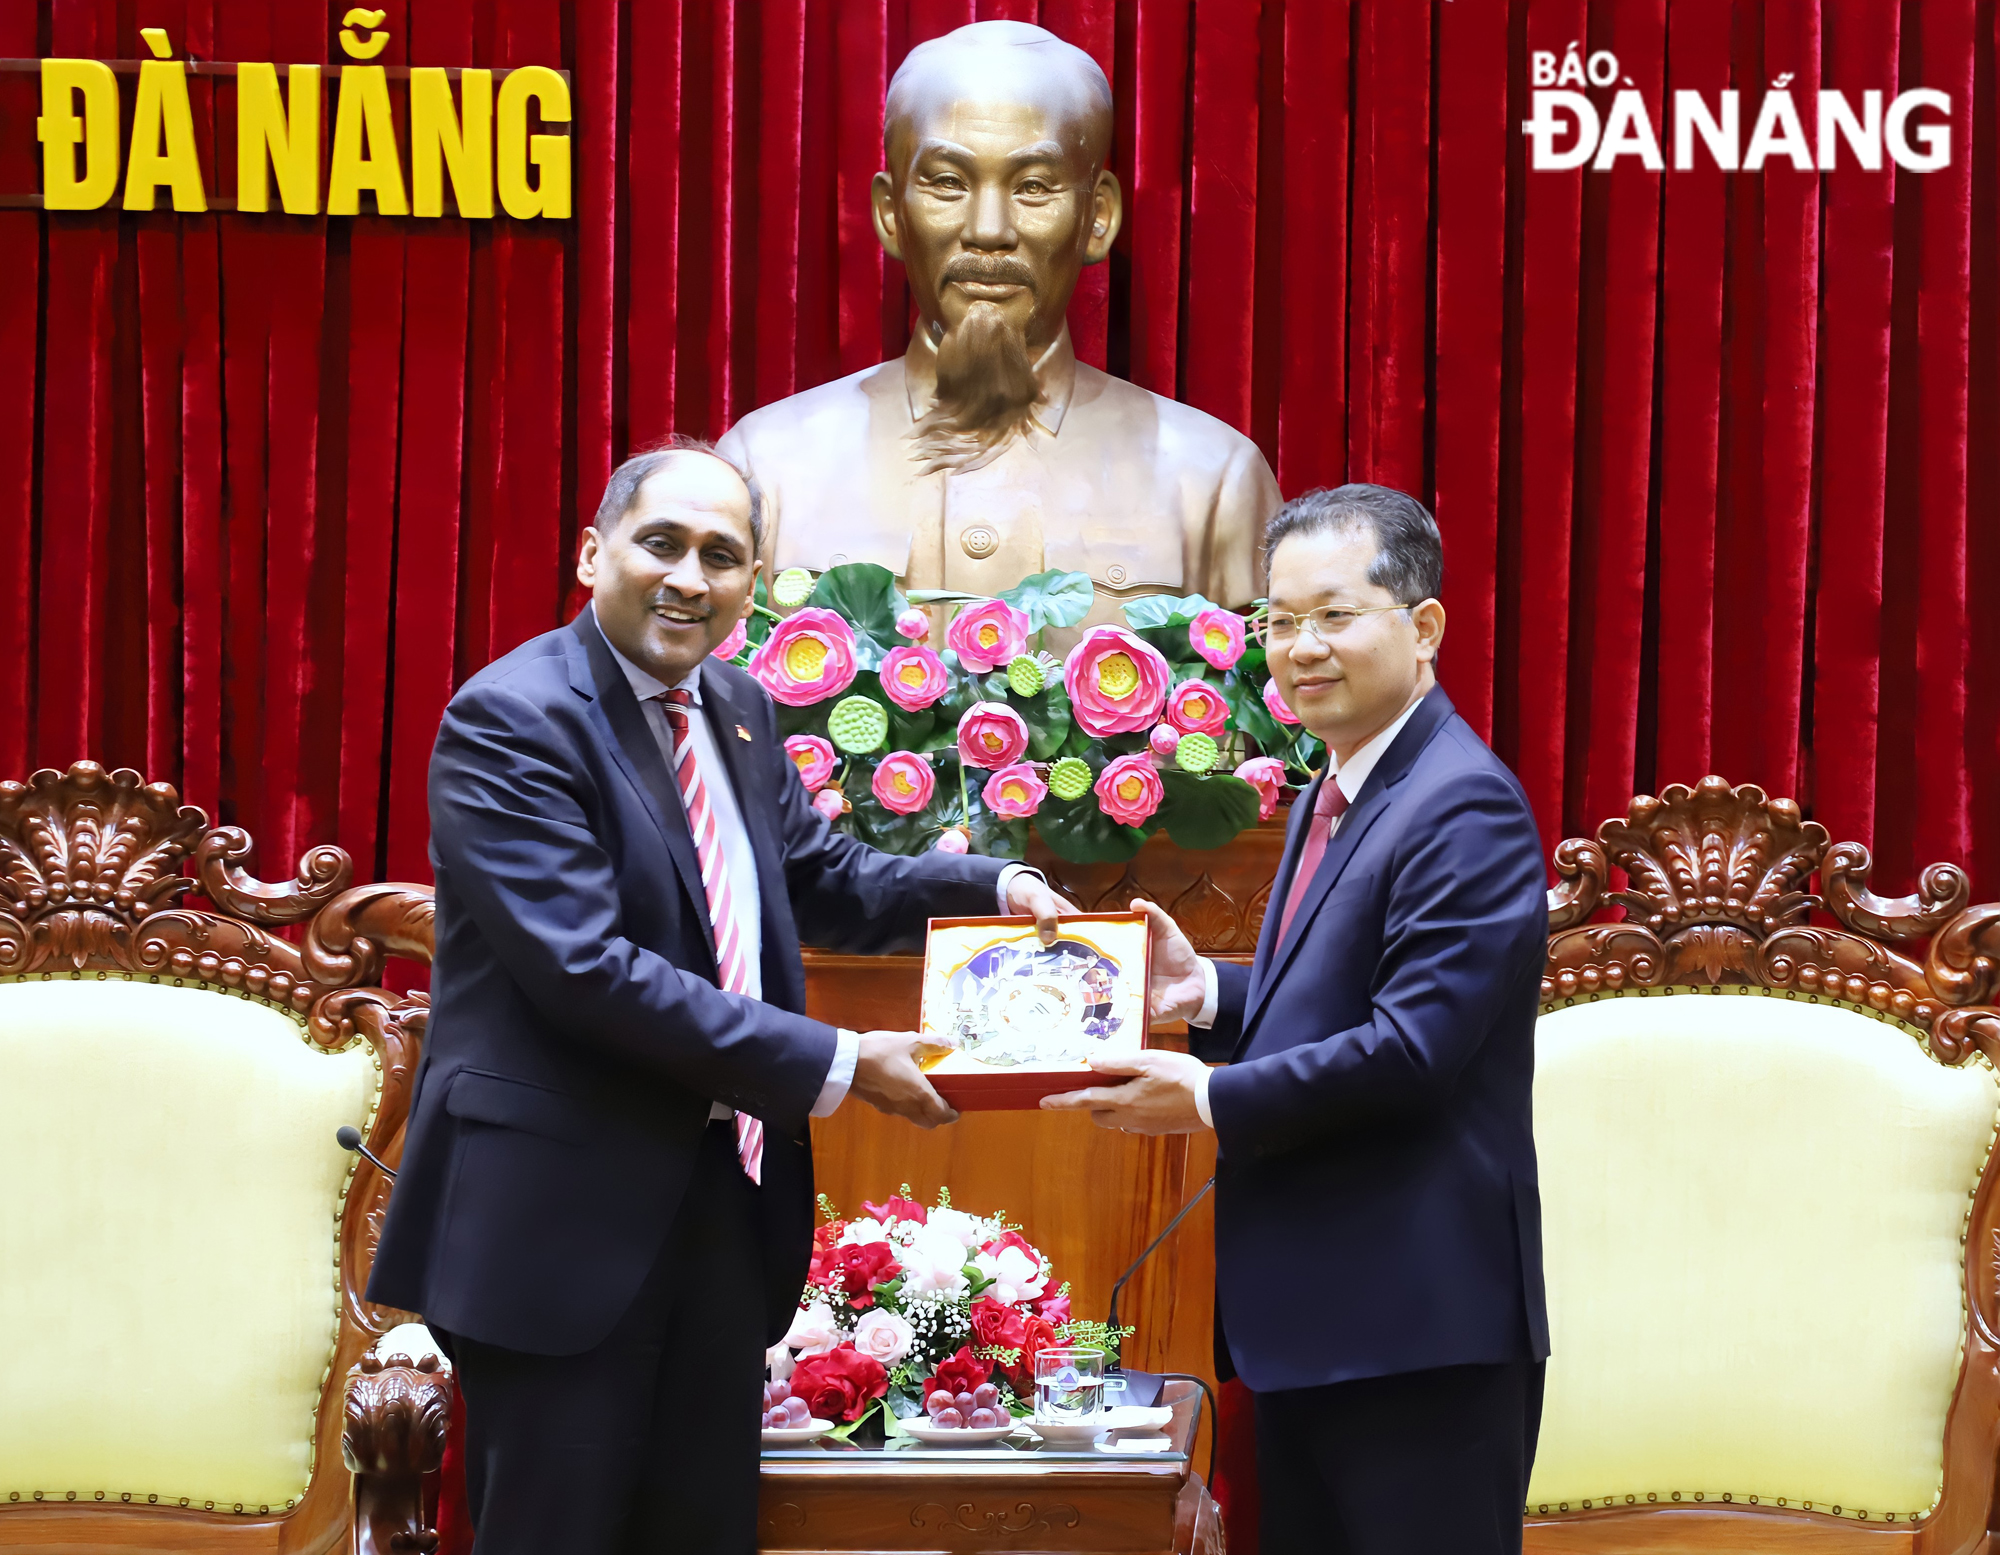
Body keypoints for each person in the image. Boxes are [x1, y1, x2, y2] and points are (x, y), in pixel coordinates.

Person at [369, 440, 1072, 1555]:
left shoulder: (733, 709)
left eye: (722, 555)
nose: (690, 576)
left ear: (752, 583)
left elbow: (822, 879)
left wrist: (992, 881)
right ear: (593, 552)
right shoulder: (512, 720)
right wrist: (841, 1062)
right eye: (662, 544)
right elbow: (588, 971)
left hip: (717, 1205)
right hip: (556, 1222)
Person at [1044, 484, 1550, 1555]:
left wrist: (1206, 1094)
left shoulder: (1461, 800)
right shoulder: (1353, 786)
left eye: (1331, 615)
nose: (1297, 647)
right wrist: (1212, 995)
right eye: (1277, 622)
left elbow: (1412, 1049)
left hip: (1416, 1333)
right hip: (1320, 1325)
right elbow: (1347, 990)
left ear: (1422, 629)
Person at [717, 21, 1276, 638]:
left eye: (1035, 187)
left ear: (1098, 217)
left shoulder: (1214, 480)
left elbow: (1265, 722)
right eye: (947, 183)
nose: (989, 228)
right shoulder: (768, 465)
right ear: (889, 214)